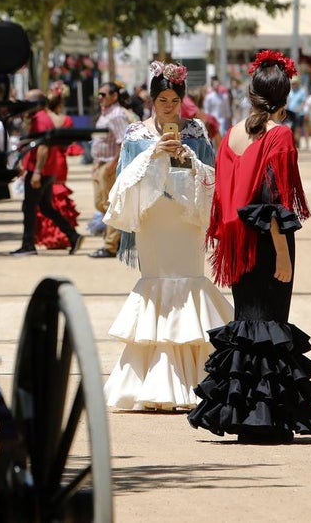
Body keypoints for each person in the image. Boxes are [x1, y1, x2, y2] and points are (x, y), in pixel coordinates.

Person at [188, 49, 311, 444]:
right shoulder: (280, 135)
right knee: (269, 325)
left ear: (251, 93)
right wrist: (283, 252)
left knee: (248, 322)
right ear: (285, 98)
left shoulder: (232, 134)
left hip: (239, 245)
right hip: (268, 243)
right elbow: (273, 201)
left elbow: (226, 195)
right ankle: (264, 420)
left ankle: (245, 417)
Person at [101, 61, 233, 411]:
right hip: (153, 219)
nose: (169, 107)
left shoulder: (196, 131)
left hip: (185, 219)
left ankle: (195, 379)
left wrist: (186, 157)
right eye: (162, 100)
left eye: (174, 100)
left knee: (191, 280)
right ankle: (154, 382)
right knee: (156, 281)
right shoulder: (135, 134)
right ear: (152, 100)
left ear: (182, 100)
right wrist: (153, 153)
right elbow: (123, 182)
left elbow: (212, 177)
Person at [12, 89, 83, 256]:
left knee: (29, 207)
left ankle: (28, 245)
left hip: (40, 170)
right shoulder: (41, 118)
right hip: (48, 170)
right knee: (45, 207)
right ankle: (73, 236)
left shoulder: (41, 120)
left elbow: (43, 147)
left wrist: (36, 172)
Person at [89, 81, 135, 259]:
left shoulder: (116, 115)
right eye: (99, 94)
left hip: (109, 165)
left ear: (114, 96)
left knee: (111, 205)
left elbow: (124, 141)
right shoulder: (105, 113)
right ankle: (120, 236)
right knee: (100, 204)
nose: (100, 97)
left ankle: (111, 245)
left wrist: (113, 164)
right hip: (100, 164)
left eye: (103, 94)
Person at [34, 87, 80, 250]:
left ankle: (50, 236)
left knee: (46, 199)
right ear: (60, 104)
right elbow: (70, 143)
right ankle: (63, 235)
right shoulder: (66, 120)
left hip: (44, 158)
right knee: (57, 196)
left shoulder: (43, 119)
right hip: (59, 161)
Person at [285, 76, 308, 149]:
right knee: (291, 129)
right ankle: (293, 143)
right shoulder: (290, 92)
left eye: (295, 83)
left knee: (297, 129)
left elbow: (303, 102)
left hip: (298, 113)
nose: (293, 85)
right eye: (292, 83)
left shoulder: (302, 91)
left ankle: (297, 144)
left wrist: (299, 109)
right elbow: (287, 102)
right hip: (290, 113)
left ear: (298, 83)